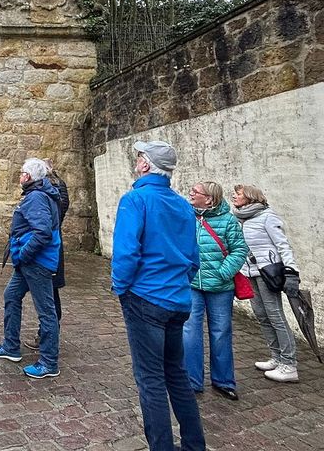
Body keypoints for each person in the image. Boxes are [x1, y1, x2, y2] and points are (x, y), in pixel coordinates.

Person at [112, 140, 205, 451]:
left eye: (140, 156)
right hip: (177, 299)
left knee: (151, 380)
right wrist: (179, 283)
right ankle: (194, 444)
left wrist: (120, 288)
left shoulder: (135, 200)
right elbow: (193, 258)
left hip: (145, 297)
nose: (137, 160)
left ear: (146, 165)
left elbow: (126, 254)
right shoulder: (182, 205)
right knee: (176, 375)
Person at [0, 158, 62, 380]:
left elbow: (43, 232)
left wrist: (23, 254)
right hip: (29, 263)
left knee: (46, 311)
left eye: (21, 172)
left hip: (36, 262)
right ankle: (11, 346)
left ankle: (49, 362)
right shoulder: (39, 194)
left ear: (28, 176)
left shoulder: (37, 197)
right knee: (11, 295)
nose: (19, 175)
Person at [183, 181, 248, 400]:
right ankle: (192, 381)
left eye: (196, 191)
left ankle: (223, 380)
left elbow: (240, 250)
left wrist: (222, 272)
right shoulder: (188, 217)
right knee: (190, 331)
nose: (191, 192)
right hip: (192, 284)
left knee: (221, 332)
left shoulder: (228, 220)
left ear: (209, 199)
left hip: (221, 287)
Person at [233, 184, 301, 383]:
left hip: (267, 273)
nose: (234, 197)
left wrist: (291, 271)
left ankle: (289, 364)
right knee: (262, 316)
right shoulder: (242, 218)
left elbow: (283, 245)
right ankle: (277, 357)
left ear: (250, 197)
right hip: (250, 273)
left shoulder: (267, 216)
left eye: (238, 194)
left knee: (276, 316)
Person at [24, 159, 70, 351]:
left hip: (45, 251)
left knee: (49, 298)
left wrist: (25, 250)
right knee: (16, 293)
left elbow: (48, 225)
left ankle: (48, 339)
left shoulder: (50, 193)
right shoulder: (53, 190)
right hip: (44, 249)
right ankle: (46, 335)